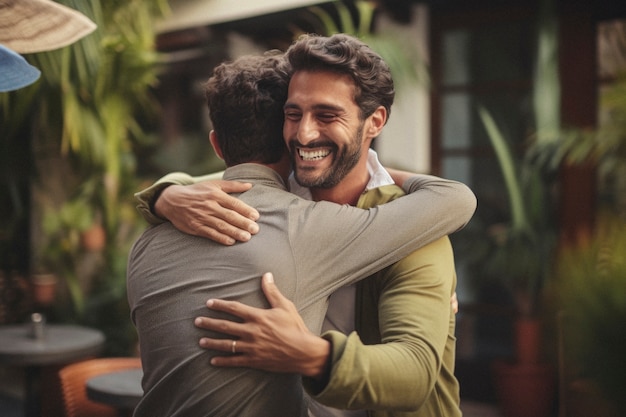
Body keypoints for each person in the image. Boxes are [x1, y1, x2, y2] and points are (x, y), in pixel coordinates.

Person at [137, 34, 471, 417]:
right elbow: (233, 176)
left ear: (374, 121)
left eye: (327, 115)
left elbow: (414, 375)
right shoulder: (274, 196)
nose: (304, 133)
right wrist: (165, 195)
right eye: (293, 115)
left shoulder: (414, 223)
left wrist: (309, 355)